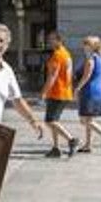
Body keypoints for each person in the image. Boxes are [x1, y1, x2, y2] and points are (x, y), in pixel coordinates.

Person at [39, 30, 78, 158]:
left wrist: (43, 93)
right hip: (65, 92)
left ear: (59, 40)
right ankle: (56, 148)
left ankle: (71, 140)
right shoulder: (66, 54)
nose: (49, 41)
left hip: (57, 92)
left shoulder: (57, 55)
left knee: (49, 121)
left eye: (51, 39)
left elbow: (52, 76)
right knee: (54, 121)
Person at [74, 36, 101, 153]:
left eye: (86, 44)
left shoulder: (90, 59)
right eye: (84, 44)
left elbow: (86, 76)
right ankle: (88, 145)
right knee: (88, 119)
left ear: (92, 47)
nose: (84, 47)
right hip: (98, 91)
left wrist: (77, 88)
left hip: (89, 91)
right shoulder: (100, 59)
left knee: (85, 120)